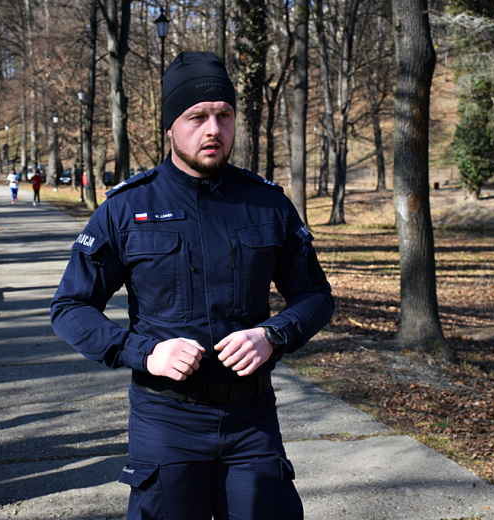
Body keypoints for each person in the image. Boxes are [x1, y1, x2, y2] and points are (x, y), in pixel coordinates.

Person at [51, 51, 333, 520]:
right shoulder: (126, 209)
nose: (213, 130)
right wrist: (145, 352)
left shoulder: (268, 205)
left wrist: (273, 334)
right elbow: (71, 307)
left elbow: (315, 296)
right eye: (196, 117)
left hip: (252, 418)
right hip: (166, 420)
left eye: (224, 116)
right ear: (169, 126)